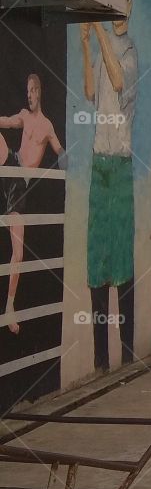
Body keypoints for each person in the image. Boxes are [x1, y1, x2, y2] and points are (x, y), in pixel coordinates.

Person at [80, 0, 138, 372]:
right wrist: (86, 45)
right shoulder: (105, 50)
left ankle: (129, 354)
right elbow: (90, 89)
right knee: (96, 263)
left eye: (121, 1)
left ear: (129, 5)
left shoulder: (130, 52)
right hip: (99, 165)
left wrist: (99, 31)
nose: (117, 9)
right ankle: (101, 360)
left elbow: (117, 80)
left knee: (122, 262)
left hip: (119, 168)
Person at [0, 73, 67, 334]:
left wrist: (66, 159)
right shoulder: (24, 117)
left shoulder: (48, 127)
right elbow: (7, 121)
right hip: (12, 165)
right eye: (26, 91)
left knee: (18, 254)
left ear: (38, 92)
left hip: (21, 188)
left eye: (31, 91)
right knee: (2, 141)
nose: (28, 95)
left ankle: (9, 308)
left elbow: (60, 151)